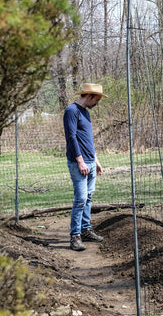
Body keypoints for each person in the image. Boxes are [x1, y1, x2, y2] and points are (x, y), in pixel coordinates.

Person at [63, 83, 107, 251]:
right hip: (78, 163)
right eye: (97, 99)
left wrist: (96, 161)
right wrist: (80, 161)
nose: (97, 103)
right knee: (81, 199)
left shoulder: (85, 113)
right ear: (89, 96)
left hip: (89, 161)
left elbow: (88, 140)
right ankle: (75, 237)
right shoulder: (71, 111)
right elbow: (71, 138)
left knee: (88, 198)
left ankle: (86, 229)